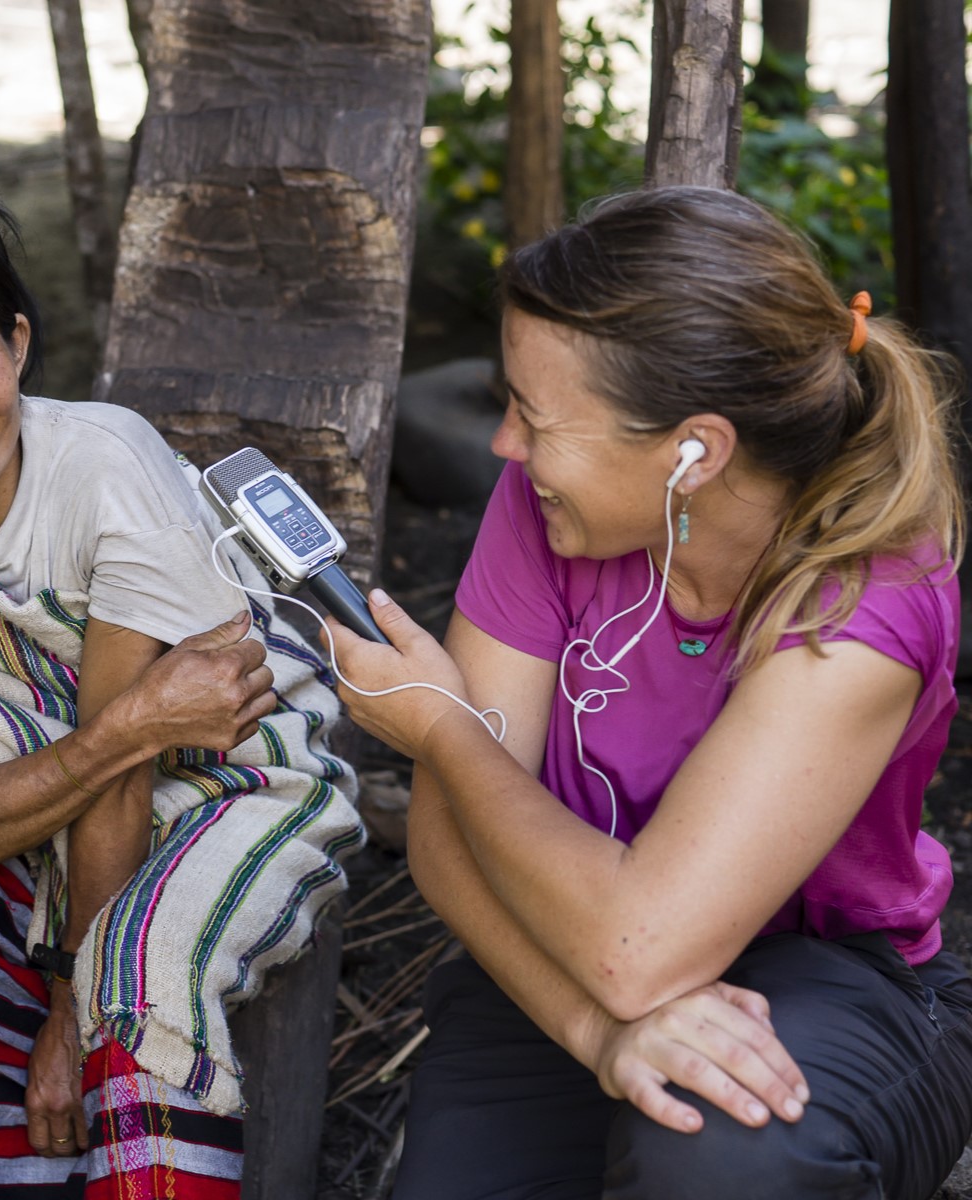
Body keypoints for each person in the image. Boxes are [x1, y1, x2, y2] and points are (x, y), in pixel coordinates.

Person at [327, 186, 972, 1200]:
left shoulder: (864, 603)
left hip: (836, 978)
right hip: (551, 955)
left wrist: (447, 733)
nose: (504, 445)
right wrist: (596, 1035)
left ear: (693, 453)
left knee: (725, 1148)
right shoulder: (546, 507)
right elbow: (450, 845)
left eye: (535, 418)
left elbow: (639, 946)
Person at [0, 172, 362, 1200]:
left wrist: (71, 1009)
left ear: (18, 344)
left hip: (233, 779)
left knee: (138, 985)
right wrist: (131, 725)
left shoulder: (102, 467)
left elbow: (137, 775)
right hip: (52, 809)